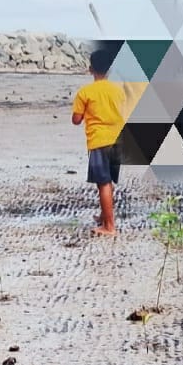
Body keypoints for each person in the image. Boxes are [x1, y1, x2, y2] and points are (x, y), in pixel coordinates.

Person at [71, 48, 126, 235]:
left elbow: (76, 120)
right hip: (118, 139)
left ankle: (109, 226)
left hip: (99, 140)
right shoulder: (117, 90)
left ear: (90, 69)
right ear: (109, 70)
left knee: (103, 183)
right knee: (108, 181)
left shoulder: (85, 92)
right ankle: (105, 216)